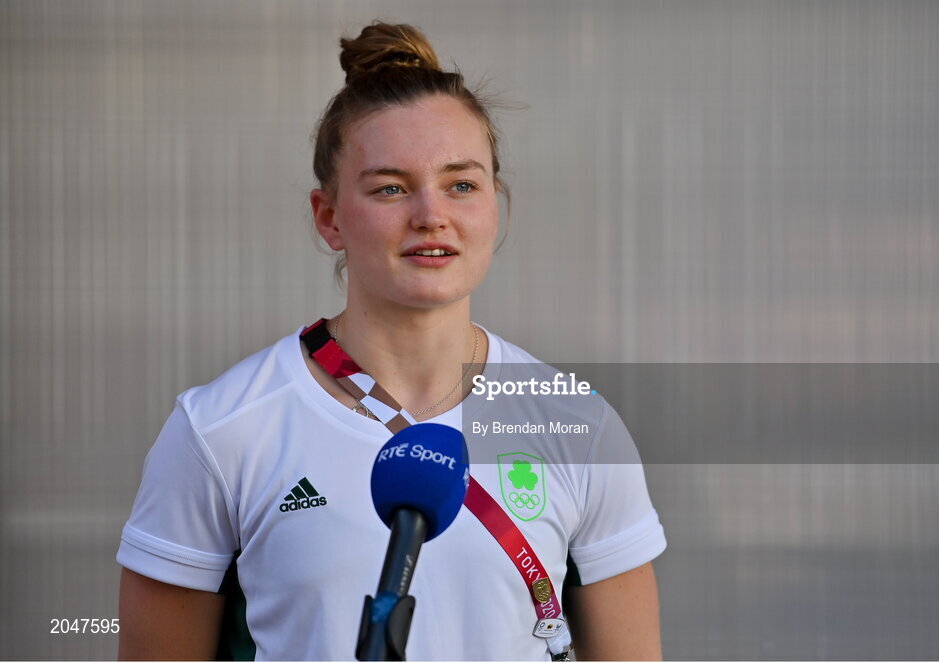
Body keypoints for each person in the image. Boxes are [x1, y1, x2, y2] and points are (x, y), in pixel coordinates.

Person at [117, 22, 666, 661]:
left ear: (495, 206)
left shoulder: (577, 424)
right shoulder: (221, 429)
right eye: (390, 188)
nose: (431, 215)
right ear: (329, 218)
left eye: (462, 184)